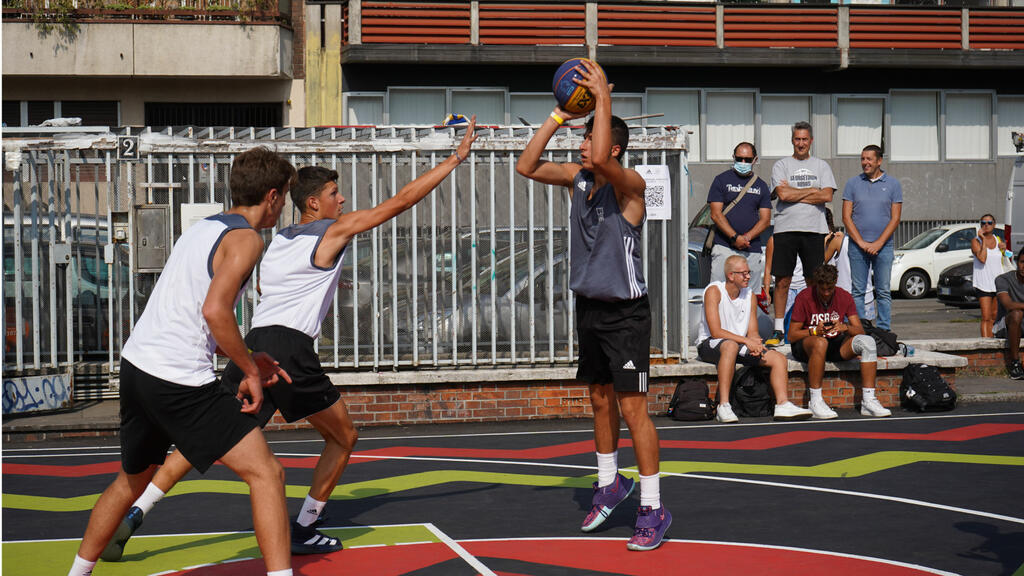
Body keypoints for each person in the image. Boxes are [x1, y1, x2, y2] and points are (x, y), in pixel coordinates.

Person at [101, 119, 481, 560]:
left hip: (256, 344)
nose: (342, 199)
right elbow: (400, 202)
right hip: (290, 351)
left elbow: (266, 289)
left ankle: (138, 511)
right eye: (336, 193)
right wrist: (455, 159)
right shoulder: (332, 232)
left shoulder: (278, 239)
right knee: (344, 437)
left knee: (204, 436)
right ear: (314, 203)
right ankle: (305, 526)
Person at [67, 147, 297, 576]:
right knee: (267, 473)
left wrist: (248, 355)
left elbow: (192, 312)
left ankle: (77, 573)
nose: (284, 204)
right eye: (284, 195)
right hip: (178, 379)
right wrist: (250, 370)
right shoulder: (247, 240)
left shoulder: (203, 229)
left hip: (138, 367)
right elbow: (214, 311)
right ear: (272, 196)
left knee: (133, 480)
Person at [516, 59, 671, 551]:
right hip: (590, 309)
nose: (582, 145)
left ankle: (653, 507)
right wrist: (559, 115)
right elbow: (525, 165)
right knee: (600, 400)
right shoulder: (578, 180)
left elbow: (603, 159)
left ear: (614, 148)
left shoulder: (631, 188)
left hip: (626, 315)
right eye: (582, 137)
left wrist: (603, 97)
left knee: (633, 409)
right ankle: (609, 482)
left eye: (587, 137)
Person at [697, 255, 812, 423]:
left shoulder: (750, 295)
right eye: (743, 273)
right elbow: (716, 332)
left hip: (738, 344)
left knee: (778, 359)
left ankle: (782, 404)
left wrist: (756, 343)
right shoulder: (714, 291)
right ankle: (724, 405)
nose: (748, 276)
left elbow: (752, 331)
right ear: (731, 275)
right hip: (710, 344)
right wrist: (746, 341)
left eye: (748, 272)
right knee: (730, 346)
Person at [787, 264, 892, 420]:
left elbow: (859, 330)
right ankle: (815, 401)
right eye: (822, 289)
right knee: (820, 343)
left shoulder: (844, 296)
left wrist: (844, 327)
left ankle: (868, 400)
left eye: (830, 289)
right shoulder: (804, 296)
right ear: (816, 285)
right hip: (807, 346)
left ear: (835, 282)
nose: (826, 293)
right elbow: (792, 335)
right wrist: (815, 331)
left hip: (835, 344)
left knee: (867, 341)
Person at [765, 121, 837, 347]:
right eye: (797, 139)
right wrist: (812, 190)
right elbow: (783, 195)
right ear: (792, 140)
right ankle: (778, 330)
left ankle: (811, 324)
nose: (801, 143)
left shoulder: (822, 166)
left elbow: (827, 196)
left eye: (805, 139)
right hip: (785, 228)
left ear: (811, 141)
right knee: (782, 280)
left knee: (813, 281)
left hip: (814, 229)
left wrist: (795, 191)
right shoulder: (781, 165)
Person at [842, 144, 902, 330]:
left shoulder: (893, 184)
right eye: (862, 159)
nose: (865, 162)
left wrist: (878, 243)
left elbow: (895, 218)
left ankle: (884, 330)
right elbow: (846, 217)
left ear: (879, 161)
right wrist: (860, 242)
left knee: (883, 291)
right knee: (858, 291)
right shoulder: (852, 183)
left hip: (883, 246)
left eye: (869, 159)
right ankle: (861, 329)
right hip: (857, 247)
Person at [761, 209, 843, 342]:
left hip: (804, 287)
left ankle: (815, 332)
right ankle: (779, 332)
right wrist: (766, 289)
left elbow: (822, 265)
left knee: (805, 322)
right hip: (788, 290)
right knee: (789, 326)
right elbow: (768, 268)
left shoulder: (818, 237)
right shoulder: (775, 239)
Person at [707, 142, 772, 289]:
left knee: (749, 295)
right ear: (733, 157)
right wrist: (735, 237)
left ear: (755, 160)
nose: (743, 162)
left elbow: (765, 220)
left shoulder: (761, 185)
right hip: (724, 246)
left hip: (751, 249)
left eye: (747, 160)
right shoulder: (721, 180)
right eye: (739, 158)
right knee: (719, 292)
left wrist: (746, 238)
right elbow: (715, 214)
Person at [972, 213, 1006, 338]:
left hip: (997, 283)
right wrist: (983, 240)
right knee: (986, 317)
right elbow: (982, 258)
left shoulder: (998, 240)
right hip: (983, 283)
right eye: (983, 223)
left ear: (994, 225)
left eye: (989, 223)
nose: (986, 225)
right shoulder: (976, 241)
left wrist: (1004, 249)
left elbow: (1005, 259)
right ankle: (985, 343)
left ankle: (992, 342)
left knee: (994, 316)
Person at [994, 247, 1024, 380]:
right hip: (1005, 325)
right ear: (1017, 262)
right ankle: (1015, 363)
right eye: (1022, 262)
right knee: (1016, 314)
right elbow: (1008, 305)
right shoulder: (1003, 279)